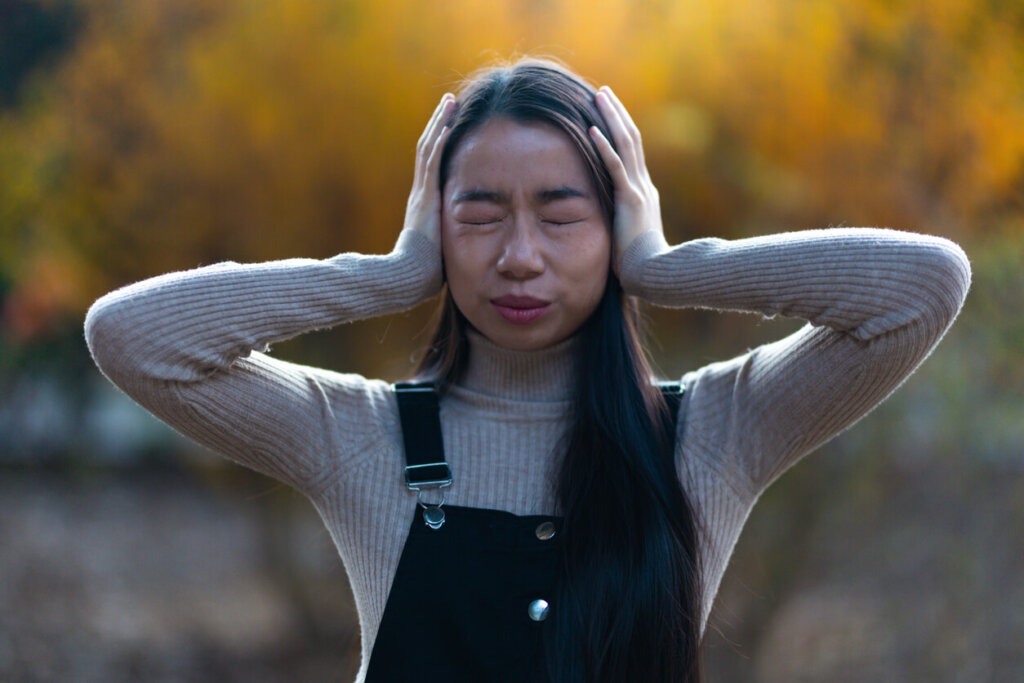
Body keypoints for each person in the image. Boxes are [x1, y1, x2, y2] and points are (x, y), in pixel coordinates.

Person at [83, 57, 971, 683]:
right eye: (480, 215)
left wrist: (664, 266)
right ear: (438, 226)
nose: (518, 256)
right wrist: (391, 274)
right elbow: (134, 336)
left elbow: (925, 286)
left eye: (560, 214)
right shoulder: (360, 436)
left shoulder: (713, 431)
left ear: (615, 220)